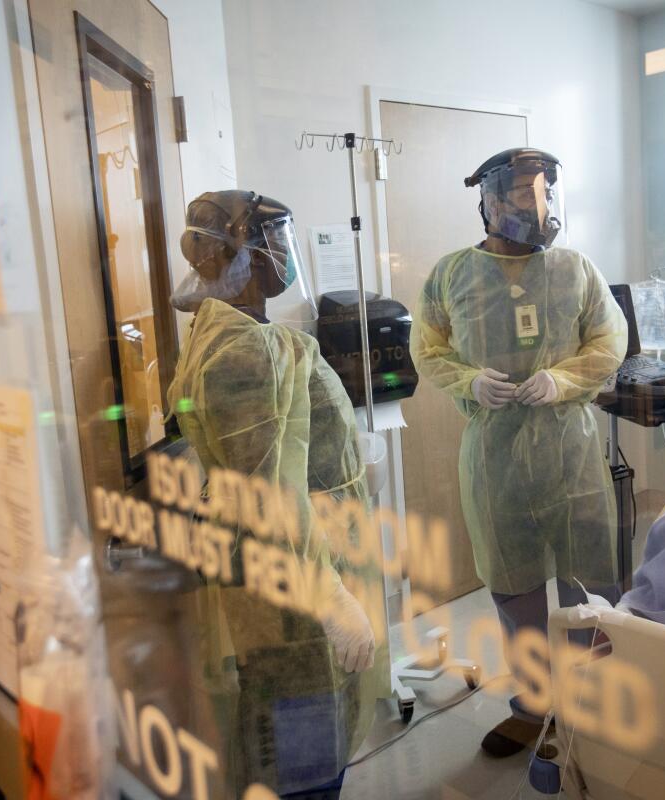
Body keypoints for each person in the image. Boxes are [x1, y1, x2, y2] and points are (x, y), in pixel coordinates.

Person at [167, 191, 387, 797]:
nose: (285, 256)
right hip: (295, 582)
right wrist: (332, 596)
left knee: (296, 726)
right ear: (240, 255)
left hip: (296, 563)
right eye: (276, 241)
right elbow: (269, 493)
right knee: (304, 745)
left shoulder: (239, 331)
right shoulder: (243, 351)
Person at [411, 149, 628, 758]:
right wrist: (467, 381)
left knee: (586, 583)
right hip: (496, 456)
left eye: (544, 194)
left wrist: (561, 380)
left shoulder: (574, 269)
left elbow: (609, 339)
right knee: (515, 587)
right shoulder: (451, 275)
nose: (536, 208)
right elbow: (428, 350)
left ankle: (589, 704)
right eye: (520, 195)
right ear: (487, 202)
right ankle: (533, 707)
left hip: (571, 449)